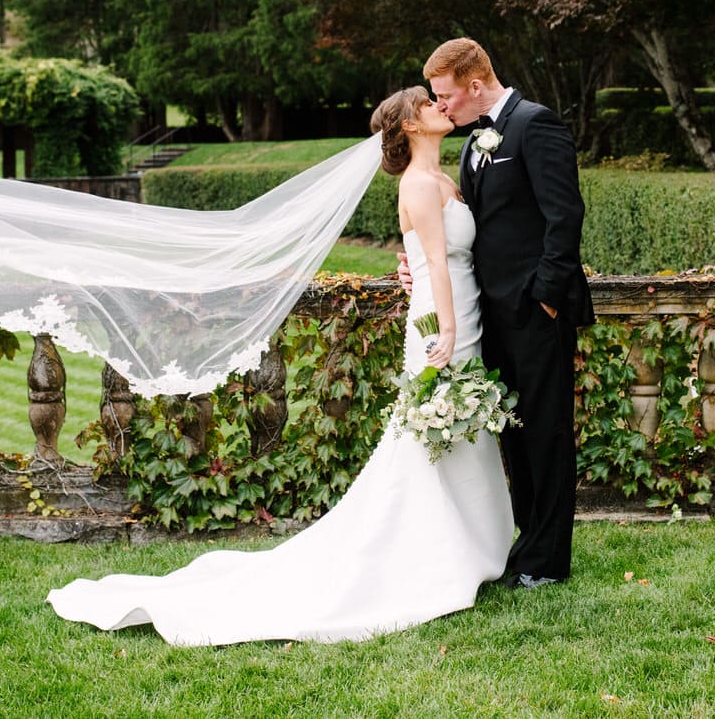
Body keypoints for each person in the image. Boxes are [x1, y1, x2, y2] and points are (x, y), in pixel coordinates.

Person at [46, 87, 513, 644]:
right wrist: (449, 328)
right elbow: (434, 260)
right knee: (430, 438)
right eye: (427, 103)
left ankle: (467, 544)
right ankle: (430, 557)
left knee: (454, 435)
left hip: (461, 313)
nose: (440, 106)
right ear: (410, 126)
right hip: (443, 326)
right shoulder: (416, 183)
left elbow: (435, 254)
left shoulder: (445, 180)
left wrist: (416, 273)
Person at [411, 38, 592, 589]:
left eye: (445, 96)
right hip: (491, 314)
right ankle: (526, 544)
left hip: (538, 312)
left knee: (547, 432)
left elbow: (565, 216)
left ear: (473, 85)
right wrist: (418, 264)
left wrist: (545, 295)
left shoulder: (535, 125)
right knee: (515, 435)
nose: (441, 108)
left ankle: (547, 561)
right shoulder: (473, 144)